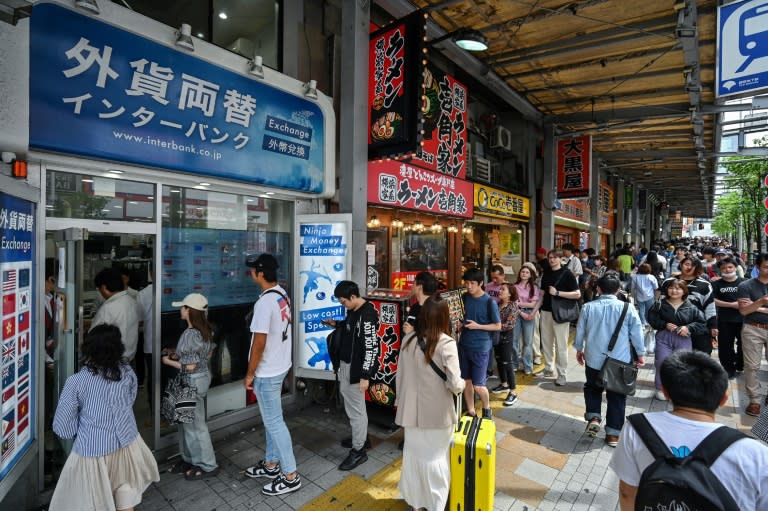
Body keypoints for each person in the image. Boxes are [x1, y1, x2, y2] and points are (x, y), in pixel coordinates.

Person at [609, 350, 768, 510]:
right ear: (723, 400)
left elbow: (627, 493)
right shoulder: (757, 455)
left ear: (665, 392)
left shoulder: (637, 428)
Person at [49, 324, 159, 511]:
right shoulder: (126, 372)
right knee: (125, 497)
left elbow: (62, 428)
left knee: (95, 502)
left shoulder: (76, 381)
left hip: (93, 453)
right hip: (127, 444)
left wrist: (84, 425)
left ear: (88, 348)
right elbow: (130, 400)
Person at [395, 296, 464, 511]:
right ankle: (435, 504)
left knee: (414, 457)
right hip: (437, 414)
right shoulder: (446, 344)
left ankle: (416, 504)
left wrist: (400, 400)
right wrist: (461, 384)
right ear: (444, 318)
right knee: (436, 460)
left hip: (410, 413)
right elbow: (455, 384)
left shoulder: (407, 340)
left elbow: (400, 376)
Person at [241, 254, 301, 494]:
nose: (250, 273)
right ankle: (271, 464)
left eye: (252, 270)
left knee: (275, 423)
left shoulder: (265, 303)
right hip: (280, 364)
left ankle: (290, 475)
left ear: (261, 273)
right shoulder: (281, 294)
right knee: (271, 420)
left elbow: (259, 343)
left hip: (267, 371)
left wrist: (249, 373)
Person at [575, 275, 645, 447]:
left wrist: (579, 349)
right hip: (619, 360)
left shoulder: (588, 307)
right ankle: (613, 435)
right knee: (617, 396)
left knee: (592, 388)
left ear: (598, 289)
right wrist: (641, 354)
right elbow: (637, 333)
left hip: (593, 358)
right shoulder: (627, 308)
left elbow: (580, 330)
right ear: (618, 290)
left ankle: (594, 417)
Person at [162, 293, 219, 480]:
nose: (181, 310)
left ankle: (208, 465)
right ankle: (191, 459)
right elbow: (205, 355)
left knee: (194, 425)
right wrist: (177, 354)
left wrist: (167, 361)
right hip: (201, 378)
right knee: (188, 423)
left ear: (189, 311)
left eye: (183, 307)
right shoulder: (206, 330)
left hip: (191, 379)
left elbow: (190, 365)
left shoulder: (189, 334)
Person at [325, 280, 380, 470]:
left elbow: (372, 348)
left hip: (357, 370)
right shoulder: (353, 311)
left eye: (343, 302)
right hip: (347, 365)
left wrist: (365, 375)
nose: (343, 305)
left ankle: (359, 450)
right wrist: (337, 325)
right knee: (353, 407)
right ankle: (361, 438)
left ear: (353, 297)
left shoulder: (367, 315)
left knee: (356, 411)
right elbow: (351, 331)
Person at [647, 280, 706, 401]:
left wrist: (688, 327)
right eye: (671, 288)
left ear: (684, 291)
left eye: (678, 288)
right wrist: (664, 324)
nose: (674, 291)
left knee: (682, 364)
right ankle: (660, 388)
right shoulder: (659, 304)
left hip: (683, 338)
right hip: (663, 337)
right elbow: (651, 319)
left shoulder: (691, 306)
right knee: (662, 362)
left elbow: (701, 323)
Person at [459, 268, 501, 419]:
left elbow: (498, 326)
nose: (469, 286)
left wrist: (478, 326)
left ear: (481, 283)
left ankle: (487, 408)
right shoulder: (464, 297)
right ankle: (471, 411)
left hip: (480, 348)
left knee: (478, 385)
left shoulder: (489, 302)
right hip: (464, 345)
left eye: (472, 283)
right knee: (467, 382)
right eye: (467, 283)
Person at [534, 249, 580, 386]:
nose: (552, 260)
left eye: (554, 258)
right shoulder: (546, 273)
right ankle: (548, 368)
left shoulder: (567, 274)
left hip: (560, 313)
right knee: (547, 343)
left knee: (561, 345)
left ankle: (562, 374)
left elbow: (577, 294)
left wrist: (558, 293)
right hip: (546, 312)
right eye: (550, 258)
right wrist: (535, 310)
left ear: (561, 259)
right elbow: (542, 294)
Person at [660, 256, 715, 354]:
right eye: (687, 264)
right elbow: (662, 305)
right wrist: (663, 324)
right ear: (681, 265)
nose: (690, 267)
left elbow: (710, 307)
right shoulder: (668, 282)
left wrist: (713, 326)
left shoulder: (705, 285)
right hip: (674, 328)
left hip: (698, 329)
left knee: (701, 360)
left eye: (693, 265)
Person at [737, 252, 768, 417]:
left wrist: (756, 306)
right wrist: (762, 302)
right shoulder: (746, 285)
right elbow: (744, 310)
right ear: (758, 267)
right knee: (751, 366)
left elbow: (751, 307)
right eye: (766, 266)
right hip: (752, 328)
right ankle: (754, 400)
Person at [91, 268, 140, 361]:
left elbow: (94, 337)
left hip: (111, 362)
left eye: (99, 289)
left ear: (104, 288)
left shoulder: (108, 308)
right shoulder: (132, 302)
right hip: (130, 358)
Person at [711, 256, 744, 379]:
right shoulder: (715, 284)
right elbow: (713, 300)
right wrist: (731, 305)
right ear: (720, 270)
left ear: (735, 267)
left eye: (730, 267)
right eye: (724, 268)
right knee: (725, 346)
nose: (727, 269)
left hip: (744, 320)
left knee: (744, 345)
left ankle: (740, 364)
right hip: (724, 320)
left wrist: (741, 305)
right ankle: (728, 369)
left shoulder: (744, 282)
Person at [491, 283, 520, 406]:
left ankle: (513, 392)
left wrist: (493, 327)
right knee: (498, 360)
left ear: (510, 293)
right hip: (496, 337)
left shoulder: (513, 306)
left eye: (503, 289)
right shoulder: (497, 304)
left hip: (506, 338)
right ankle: (504, 384)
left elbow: (509, 324)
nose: (500, 291)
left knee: (507, 363)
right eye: (500, 288)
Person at [513, 262, 541, 375]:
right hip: (517, 314)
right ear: (519, 274)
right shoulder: (514, 287)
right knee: (514, 341)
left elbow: (533, 304)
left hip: (529, 314)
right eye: (522, 272)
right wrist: (521, 310)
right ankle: (515, 364)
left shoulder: (534, 287)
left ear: (531, 275)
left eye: (527, 272)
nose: (524, 274)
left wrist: (521, 303)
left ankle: (528, 366)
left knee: (528, 342)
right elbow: (513, 303)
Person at [403, 271, 438, 335]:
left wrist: (413, 331)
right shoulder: (414, 307)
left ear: (420, 287)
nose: (412, 286)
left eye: (414, 283)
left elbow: (438, 334)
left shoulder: (436, 309)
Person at [629, 263, 658, 329]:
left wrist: (632, 295)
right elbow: (656, 287)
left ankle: (642, 323)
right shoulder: (651, 277)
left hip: (639, 296)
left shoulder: (635, 277)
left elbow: (633, 287)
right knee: (649, 310)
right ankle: (648, 322)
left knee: (641, 309)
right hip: (649, 296)